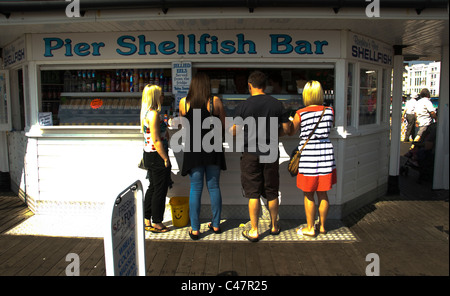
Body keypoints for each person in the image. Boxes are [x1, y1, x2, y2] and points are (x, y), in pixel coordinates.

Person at [231, 71, 291, 242]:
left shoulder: (243, 106)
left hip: (250, 153)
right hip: (270, 152)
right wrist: (275, 133)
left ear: (250, 86)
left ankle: (255, 230)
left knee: (253, 193)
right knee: (272, 191)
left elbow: (234, 131)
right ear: (265, 86)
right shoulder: (277, 104)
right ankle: (274, 226)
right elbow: (287, 130)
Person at [179, 72, 227, 240]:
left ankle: (195, 228)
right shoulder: (215, 102)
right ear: (207, 86)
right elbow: (223, 127)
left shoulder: (184, 103)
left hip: (193, 150)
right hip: (212, 147)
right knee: (214, 187)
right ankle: (215, 224)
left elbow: (184, 127)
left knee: (195, 188)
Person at [288, 80, 336, 237]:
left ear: (306, 95)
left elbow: (292, 131)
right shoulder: (329, 111)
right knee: (323, 193)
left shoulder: (301, 113)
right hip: (326, 155)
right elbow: (330, 127)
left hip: (308, 155)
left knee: (309, 194)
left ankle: (310, 228)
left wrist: (289, 122)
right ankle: (322, 226)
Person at [141, 85, 171, 233]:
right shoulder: (153, 114)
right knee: (160, 189)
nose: (163, 96)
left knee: (152, 187)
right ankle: (157, 222)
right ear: (155, 96)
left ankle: (147, 219)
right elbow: (156, 140)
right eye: (161, 94)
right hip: (157, 155)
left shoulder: (147, 112)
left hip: (149, 154)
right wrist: (165, 158)